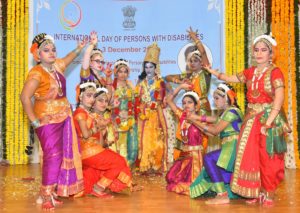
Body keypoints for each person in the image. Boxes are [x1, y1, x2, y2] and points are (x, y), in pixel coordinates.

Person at [204, 34, 291, 206]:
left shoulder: (275, 72)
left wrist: (268, 122)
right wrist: (214, 72)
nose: (259, 53)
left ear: (271, 53)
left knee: (268, 158)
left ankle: (269, 193)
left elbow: (279, 98)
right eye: (256, 50)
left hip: (268, 120)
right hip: (251, 119)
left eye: (263, 50)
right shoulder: (250, 72)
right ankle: (255, 191)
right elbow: (231, 79)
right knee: (249, 156)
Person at [20, 33, 86, 210]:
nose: (51, 53)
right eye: (46, 50)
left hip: (64, 117)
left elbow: (69, 58)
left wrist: (79, 47)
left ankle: (51, 192)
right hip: (46, 120)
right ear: (38, 55)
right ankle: (45, 194)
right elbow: (25, 98)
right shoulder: (36, 73)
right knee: (53, 156)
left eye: (53, 49)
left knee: (63, 154)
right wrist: (35, 123)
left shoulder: (57, 66)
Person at [73, 82, 134, 198]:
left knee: (117, 159)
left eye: (93, 96)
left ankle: (99, 187)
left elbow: (100, 143)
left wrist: (100, 130)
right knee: (119, 161)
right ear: (80, 97)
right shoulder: (80, 113)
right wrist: (97, 128)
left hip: (94, 149)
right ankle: (98, 188)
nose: (91, 99)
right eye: (88, 95)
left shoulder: (88, 114)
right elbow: (86, 135)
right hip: (88, 151)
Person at [189, 83, 243, 204]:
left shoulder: (232, 112)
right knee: (211, 162)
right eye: (214, 98)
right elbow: (212, 120)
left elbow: (214, 131)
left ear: (227, 98)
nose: (214, 101)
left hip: (234, 147)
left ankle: (222, 194)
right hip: (230, 146)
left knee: (209, 158)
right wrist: (196, 118)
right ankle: (223, 192)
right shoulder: (227, 112)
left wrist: (194, 120)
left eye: (217, 98)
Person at [165, 83, 205, 195]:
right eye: (184, 103)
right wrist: (180, 87)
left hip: (196, 157)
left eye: (189, 102)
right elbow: (169, 100)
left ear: (196, 105)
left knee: (193, 183)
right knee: (171, 177)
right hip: (185, 154)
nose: (186, 105)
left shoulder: (202, 119)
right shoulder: (181, 115)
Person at [135, 42, 168, 174]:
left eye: (151, 67)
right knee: (143, 139)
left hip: (155, 115)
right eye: (146, 67)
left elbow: (160, 99)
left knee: (156, 139)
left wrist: (154, 104)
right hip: (143, 116)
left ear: (156, 67)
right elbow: (137, 98)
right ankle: (144, 165)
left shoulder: (160, 82)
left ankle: (155, 165)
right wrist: (141, 106)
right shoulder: (141, 83)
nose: (148, 69)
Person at [165, 27, 211, 115]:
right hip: (189, 110)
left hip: (203, 110)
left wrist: (195, 39)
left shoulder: (206, 73)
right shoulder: (188, 76)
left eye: (195, 61)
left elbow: (203, 53)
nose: (192, 63)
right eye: (191, 61)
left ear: (201, 62)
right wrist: (180, 82)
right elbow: (167, 77)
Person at [112, 59, 138, 167]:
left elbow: (136, 101)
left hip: (130, 119)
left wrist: (134, 89)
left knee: (133, 145)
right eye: (120, 71)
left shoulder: (130, 85)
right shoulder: (112, 86)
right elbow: (108, 103)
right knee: (119, 146)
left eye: (125, 71)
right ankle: (119, 168)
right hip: (116, 119)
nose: (123, 74)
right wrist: (117, 114)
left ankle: (128, 167)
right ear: (116, 72)